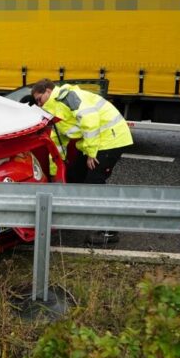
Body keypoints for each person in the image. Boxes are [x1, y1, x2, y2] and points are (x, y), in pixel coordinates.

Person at [31, 79, 133, 245]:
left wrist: (92, 153)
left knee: (94, 182)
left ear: (48, 91)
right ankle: (73, 216)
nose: (39, 104)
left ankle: (109, 232)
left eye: (39, 99)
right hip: (95, 142)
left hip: (111, 139)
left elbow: (89, 120)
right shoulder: (55, 109)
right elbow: (57, 142)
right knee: (73, 175)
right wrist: (54, 172)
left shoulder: (68, 97)